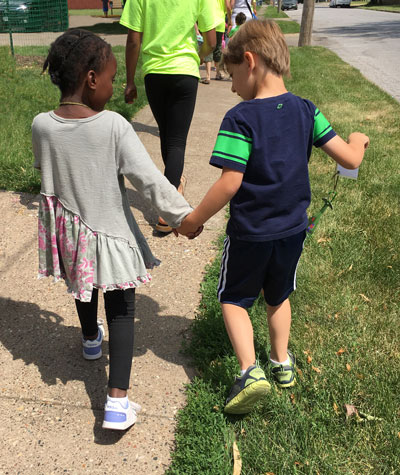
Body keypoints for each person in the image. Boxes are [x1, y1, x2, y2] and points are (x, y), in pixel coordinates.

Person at [177, 19, 369, 414]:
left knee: (233, 298)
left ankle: (250, 370)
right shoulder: (306, 110)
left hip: (250, 232)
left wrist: (194, 219)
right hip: (292, 231)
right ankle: (281, 364)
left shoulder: (240, 118)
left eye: (232, 77)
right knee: (278, 295)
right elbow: (350, 159)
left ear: (250, 62)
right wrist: (358, 141)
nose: (231, 87)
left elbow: (231, 183)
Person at [33, 29, 200, 430]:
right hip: (110, 233)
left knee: (83, 286)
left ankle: (91, 340)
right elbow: (149, 182)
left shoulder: (41, 125)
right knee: (123, 312)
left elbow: (46, 173)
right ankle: (117, 403)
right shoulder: (113, 126)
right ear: (91, 79)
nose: (112, 86)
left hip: (70, 232)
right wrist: (183, 217)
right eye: (109, 78)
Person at [120, 0, 218, 233]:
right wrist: (199, 56)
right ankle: (169, 209)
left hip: (154, 73)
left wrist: (131, 80)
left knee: (167, 134)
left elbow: (134, 40)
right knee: (176, 141)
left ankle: (174, 188)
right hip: (184, 71)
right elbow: (212, 41)